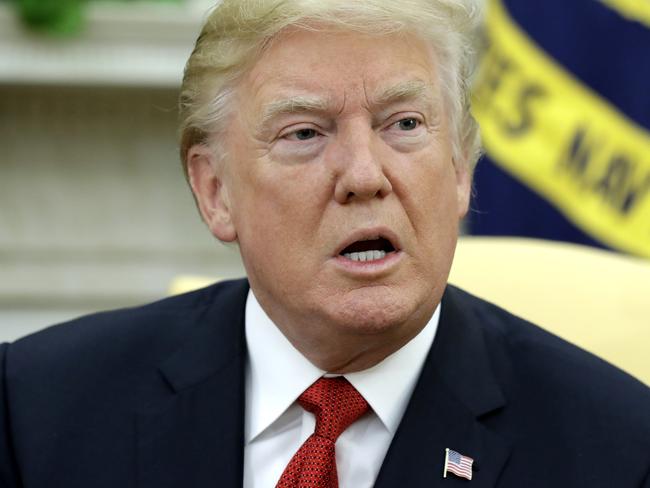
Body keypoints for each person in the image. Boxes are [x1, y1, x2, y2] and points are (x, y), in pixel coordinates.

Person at [1, 0, 649, 486]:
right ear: (215, 191)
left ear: (459, 170)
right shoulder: (37, 410)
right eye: (305, 133)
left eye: (404, 123)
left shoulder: (619, 451)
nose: (365, 176)